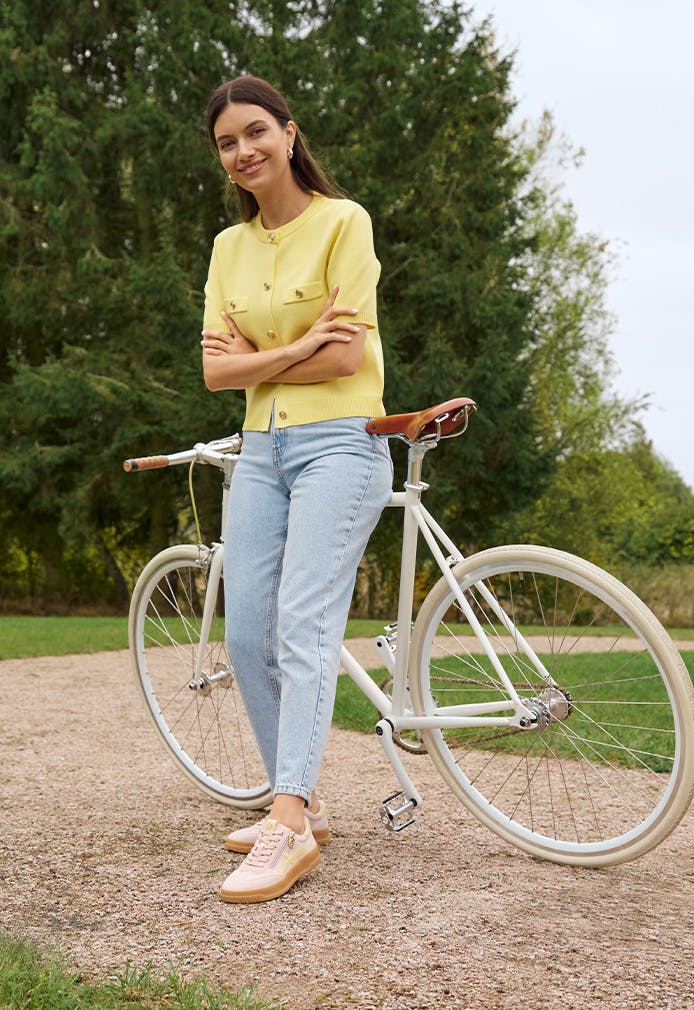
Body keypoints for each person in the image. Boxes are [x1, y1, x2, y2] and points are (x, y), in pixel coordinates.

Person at [200, 75, 393, 903]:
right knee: (247, 633)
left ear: (288, 132)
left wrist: (258, 357)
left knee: (302, 624)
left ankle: (288, 821)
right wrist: (292, 348)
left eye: (255, 132)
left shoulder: (344, 222)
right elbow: (216, 373)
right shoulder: (227, 248)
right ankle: (299, 803)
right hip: (262, 449)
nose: (243, 151)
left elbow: (345, 358)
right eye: (226, 143)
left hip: (341, 444)